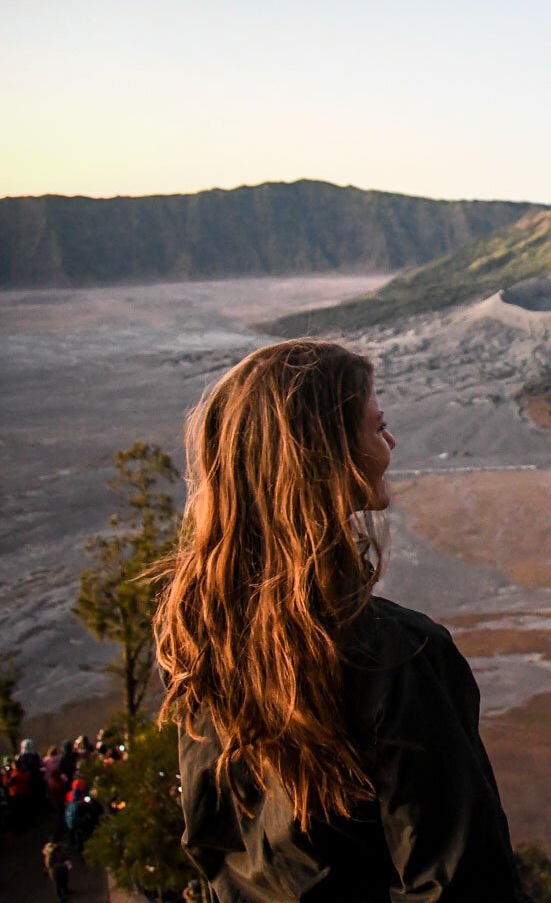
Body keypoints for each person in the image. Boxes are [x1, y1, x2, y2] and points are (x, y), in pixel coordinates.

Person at [153, 339, 529, 901]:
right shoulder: (399, 659)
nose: (391, 444)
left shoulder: (196, 638)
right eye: (377, 427)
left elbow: (214, 851)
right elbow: (464, 885)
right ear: (324, 456)